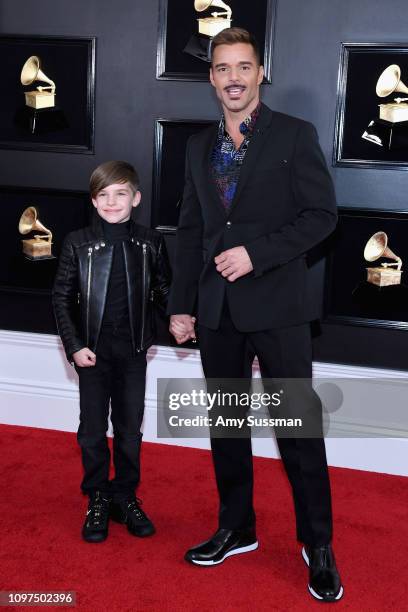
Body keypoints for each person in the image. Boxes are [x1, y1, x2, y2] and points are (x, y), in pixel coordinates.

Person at [168, 28, 343, 602]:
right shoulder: (197, 147)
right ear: (212, 77)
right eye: (223, 69)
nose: (234, 78)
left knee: (298, 433)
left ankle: (318, 545)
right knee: (227, 428)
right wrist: (183, 307)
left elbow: (321, 215)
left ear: (260, 73)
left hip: (280, 306)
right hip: (217, 310)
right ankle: (237, 526)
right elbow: (192, 230)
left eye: (244, 67)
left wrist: (257, 254)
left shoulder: (294, 134)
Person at [53, 160, 171, 543]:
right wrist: (74, 346)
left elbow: (163, 293)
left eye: (120, 193)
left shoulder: (151, 242)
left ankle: (125, 496)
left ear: (135, 198)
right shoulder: (78, 242)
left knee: (128, 430)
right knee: (91, 431)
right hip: (92, 354)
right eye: (103, 195)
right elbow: (61, 298)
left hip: (133, 353)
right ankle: (98, 497)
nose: (112, 201)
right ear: (94, 200)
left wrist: (165, 328)